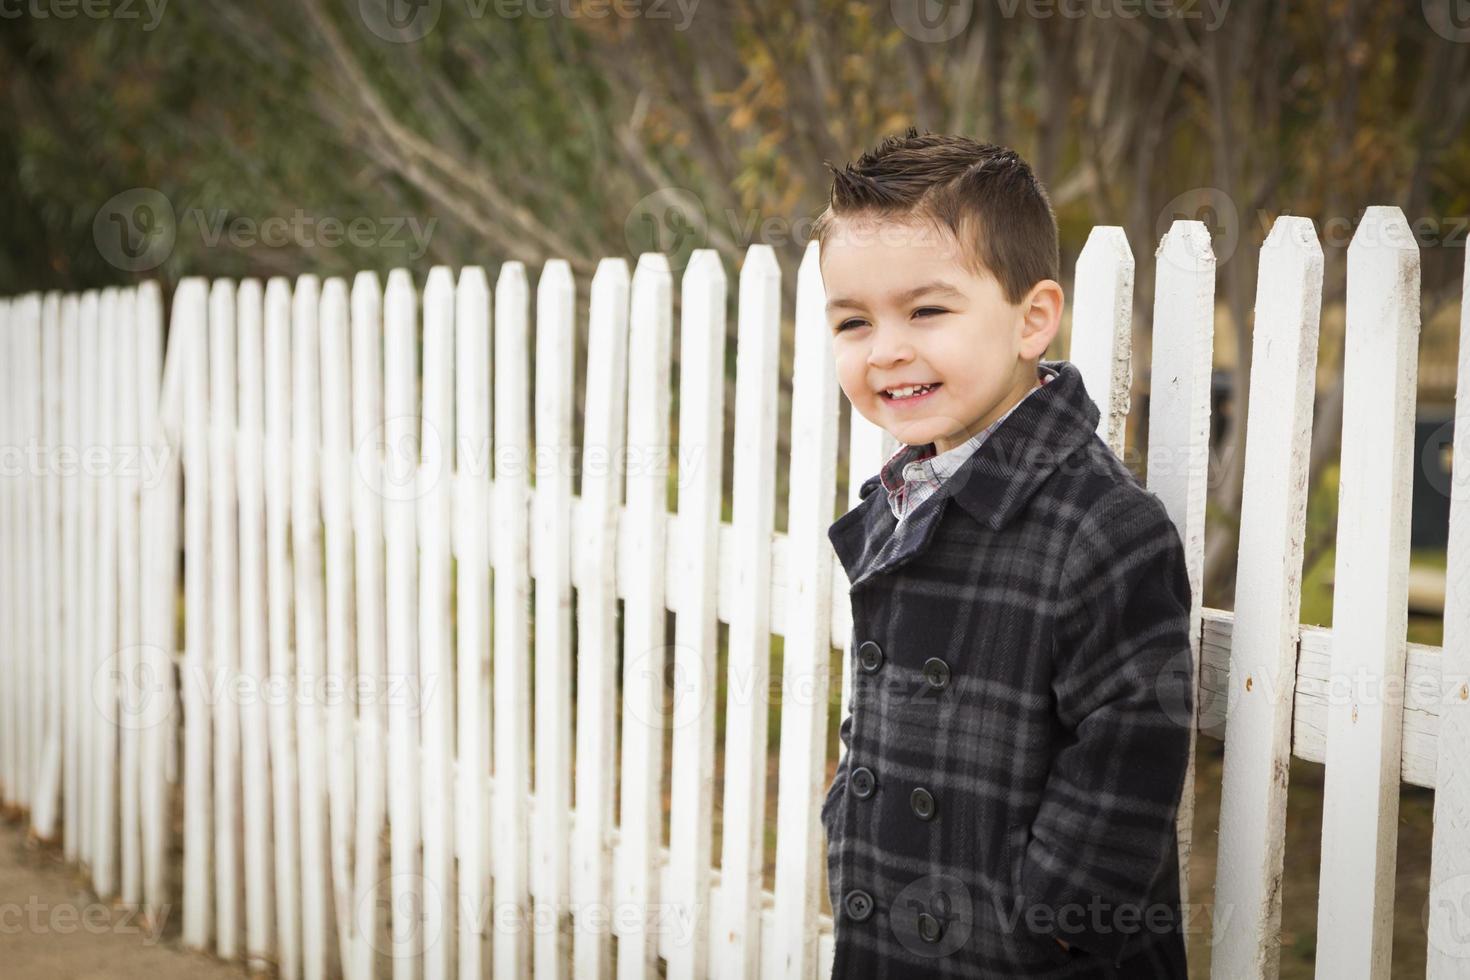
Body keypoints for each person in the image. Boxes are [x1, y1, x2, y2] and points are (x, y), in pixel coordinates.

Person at [816, 128, 1195, 978]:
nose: (885, 349)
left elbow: (1131, 741)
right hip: (894, 918)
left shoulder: (1099, 522)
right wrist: (850, 815)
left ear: (1032, 319)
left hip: (1020, 951)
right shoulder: (903, 495)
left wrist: (1058, 917)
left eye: (926, 310)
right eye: (853, 321)